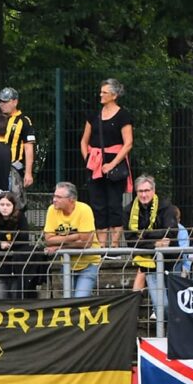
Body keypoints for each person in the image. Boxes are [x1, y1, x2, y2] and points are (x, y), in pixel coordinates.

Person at [79, 78, 134, 253]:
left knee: (114, 204)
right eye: (101, 91)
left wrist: (112, 164)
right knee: (98, 204)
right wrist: (89, 159)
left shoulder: (123, 115)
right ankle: (101, 247)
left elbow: (128, 143)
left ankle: (115, 248)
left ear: (114, 95)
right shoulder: (93, 115)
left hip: (115, 164)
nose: (100, 95)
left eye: (105, 92)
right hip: (95, 164)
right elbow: (84, 141)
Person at [125, 175, 177, 323]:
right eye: (140, 191)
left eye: (147, 190)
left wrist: (145, 236)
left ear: (153, 191)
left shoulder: (166, 207)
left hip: (172, 262)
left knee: (176, 305)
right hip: (148, 265)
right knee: (163, 306)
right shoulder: (128, 211)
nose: (143, 194)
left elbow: (171, 233)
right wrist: (155, 243)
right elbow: (131, 241)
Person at [0, 191, 45, 300]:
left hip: (17, 267)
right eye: (2, 205)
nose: (5, 208)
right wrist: (0, 245)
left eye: (8, 205)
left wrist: (10, 245)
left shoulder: (20, 218)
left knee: (16, 297)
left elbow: (24, 239)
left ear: (13, 206)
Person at [43, 181, 100, 297]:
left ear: (71, 199)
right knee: (69, 301)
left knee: (80, 299)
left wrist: (59, 246)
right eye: (54, 196)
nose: (54, 199)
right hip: (67, 264)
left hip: (88, 263)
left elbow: (86, 243)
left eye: (58, 197)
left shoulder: (84, 210)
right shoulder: (52, 210)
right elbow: (48, 239)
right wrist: (77, 235)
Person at [0, 87, 35, 191]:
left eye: (5, 101)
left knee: (13, 202)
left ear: (15, 102)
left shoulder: (24, 121)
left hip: (13, 169)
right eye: (0, 101)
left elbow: (28, 148)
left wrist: (28, 173)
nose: (2, 104)